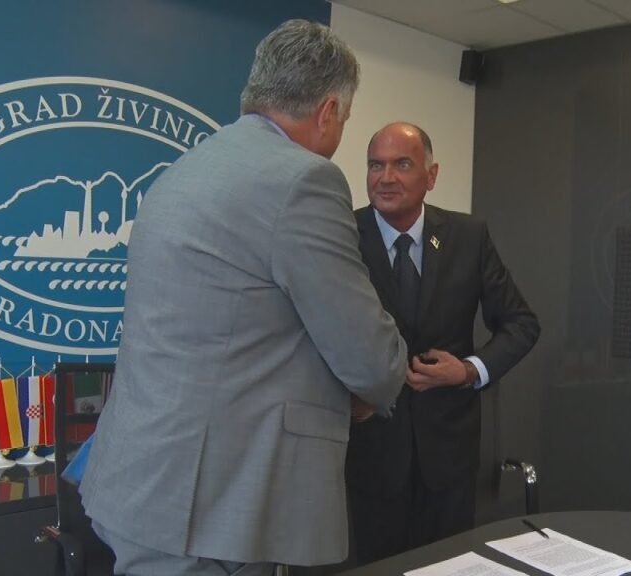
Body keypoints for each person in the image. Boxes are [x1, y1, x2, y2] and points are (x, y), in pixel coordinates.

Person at [78, 20, 408, 576]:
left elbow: (232, 326)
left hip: (140, 480)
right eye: (345, 120)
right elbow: (368, 356)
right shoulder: (304, 180)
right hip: (210, 505)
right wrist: (374, 379)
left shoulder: (187, 169)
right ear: (328, 111)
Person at [346, 122, 541, 564]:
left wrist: (469, 370)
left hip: (449, 455)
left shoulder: (468, 237)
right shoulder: (341, 234)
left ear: (431, 176)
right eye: (375, 165)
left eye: (402, 164)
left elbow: (521, 324)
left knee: (447, 567)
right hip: (372, 449)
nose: (385, 177)